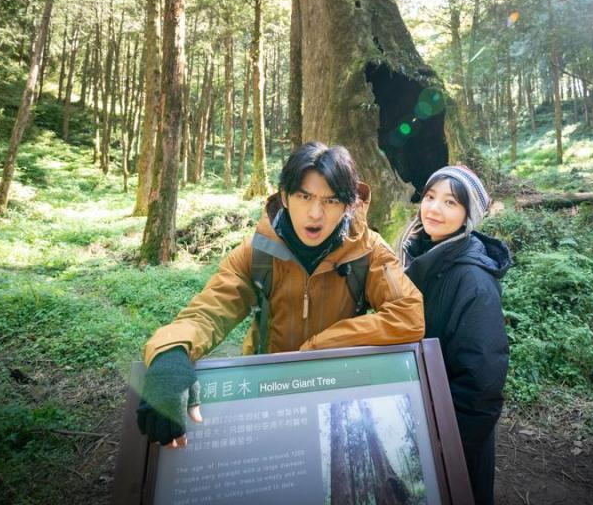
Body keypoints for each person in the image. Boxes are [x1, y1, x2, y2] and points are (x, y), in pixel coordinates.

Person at [136, 142, 425, 447]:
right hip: (264, 392)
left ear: (347, 205)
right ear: (285, 197)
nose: (316, 213)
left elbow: (408, 315)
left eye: (330, 200)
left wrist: (321, 346)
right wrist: (171, 354)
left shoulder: (369, 251)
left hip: (334, 391)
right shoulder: (258, 252)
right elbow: (209, 310)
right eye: (305, 196)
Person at [396, 165, 510, 505]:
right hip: (420, 418)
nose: (434, 209)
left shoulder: (473, 282)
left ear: (467, 216)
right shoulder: (418, 255)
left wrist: (447, 446)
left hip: (452, 436)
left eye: (450, 203)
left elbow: (483, 382)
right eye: (430, 197)